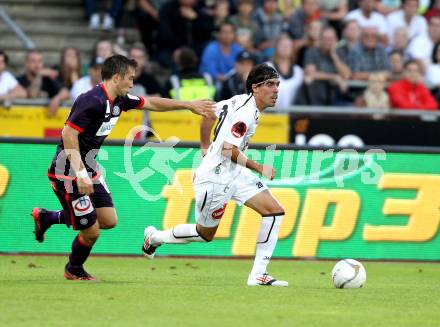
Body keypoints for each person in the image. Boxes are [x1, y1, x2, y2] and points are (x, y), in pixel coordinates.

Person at [30, 55, 214, 281]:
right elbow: (68, 134)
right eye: (130, 78)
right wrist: (80, 174)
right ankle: (73, 269)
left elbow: (151, 102)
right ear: (116, 77)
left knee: (108, 221)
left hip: (90, 168)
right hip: (67, 173)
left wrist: (188, 105)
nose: (132, 83)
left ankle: (48, 218)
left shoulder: (119, 99)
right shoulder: (92, 100)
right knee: (91, 231)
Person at [142, 63, 288, 287]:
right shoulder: (246, 112)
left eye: (277, 84)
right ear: (256, 88)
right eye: (270, 84)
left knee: (275, 212)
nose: (276, 89)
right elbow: (228, 149)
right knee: (204, 234)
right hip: (216, 178)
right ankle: (154, 237)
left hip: (234, 173)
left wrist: (203, 145)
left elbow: (208, 113)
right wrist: (259, 167)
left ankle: (259, 275)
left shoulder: (238, 101)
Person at [17, 50, 71, 116]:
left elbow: (66, 92)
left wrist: (57, 99)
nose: (37, 65)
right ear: (26, 63)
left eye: (40, 61)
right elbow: (32, 95)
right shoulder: (19, 80)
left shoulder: (47, 80)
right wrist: (39, 75)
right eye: (33, 61)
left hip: (44, 121)